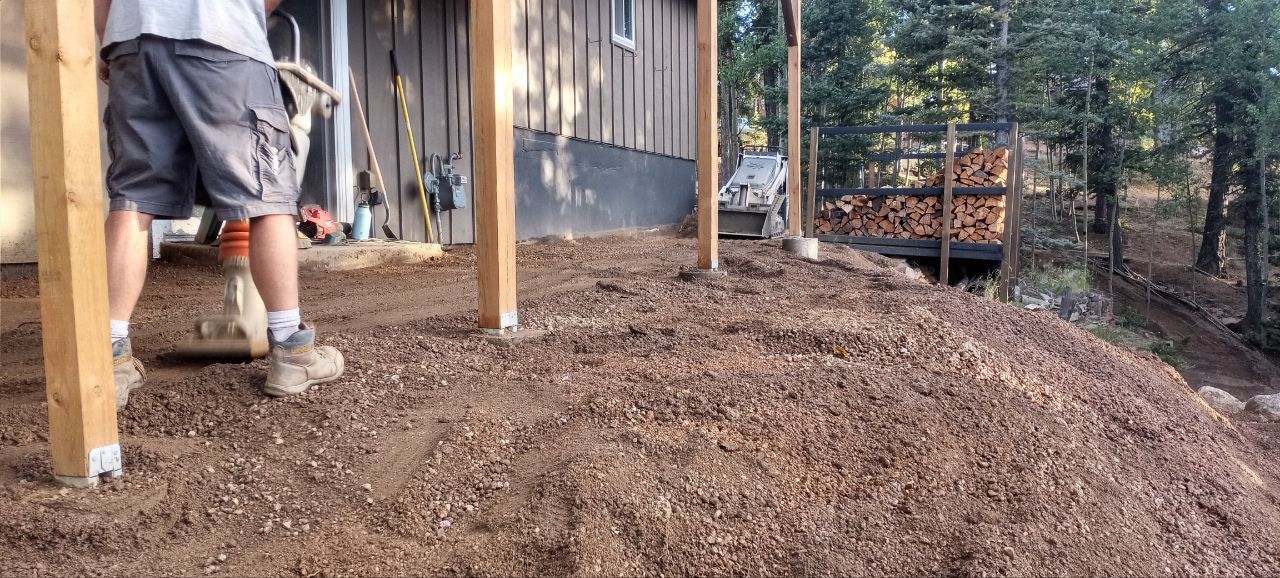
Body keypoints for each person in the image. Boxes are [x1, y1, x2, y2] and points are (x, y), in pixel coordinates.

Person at [96, 0, 344, 409]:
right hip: (221, 34)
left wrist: (110, 40)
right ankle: (292, 349)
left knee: (133, 200)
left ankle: (107, 357)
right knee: (267, 197)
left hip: (132, 41)